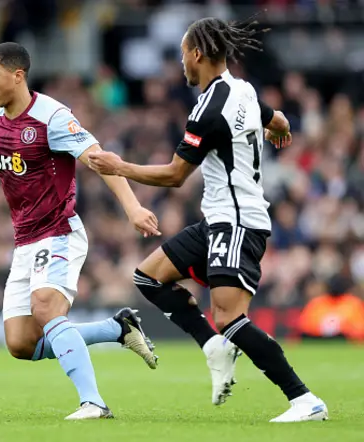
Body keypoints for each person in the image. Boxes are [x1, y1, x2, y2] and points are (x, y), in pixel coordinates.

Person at [87, 17, 328, 423]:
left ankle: (303, 399)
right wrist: (278, 132)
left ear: (197, 54)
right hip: (221, 220)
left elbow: (175, 176)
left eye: (184, 54)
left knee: (230, 317)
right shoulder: (244, 90)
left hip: (236, 221)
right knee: (148, 277)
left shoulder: (208, 108)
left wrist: (119, 165)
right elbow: (280, 120)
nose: (182, 62)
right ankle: (212, 345)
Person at [0, 42, 160, 420]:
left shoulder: (53, 117)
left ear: (18, 75)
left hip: (59, 231)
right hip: (25, 241)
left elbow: (98, 159)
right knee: (21, 343)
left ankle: (93, 403)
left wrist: (132, 207)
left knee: (46, 307)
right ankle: (117, 329)